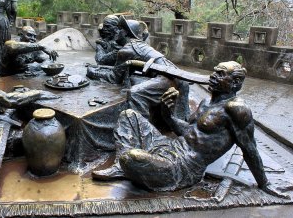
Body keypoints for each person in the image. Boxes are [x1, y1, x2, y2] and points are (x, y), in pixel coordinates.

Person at [92, 61, 288, 199]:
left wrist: (264, 184)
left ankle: (128, 165)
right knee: (128, 115)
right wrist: (167, 114)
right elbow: (187, 131)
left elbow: (250, 149)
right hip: (168, 146)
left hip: (183, 167)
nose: (212, 76)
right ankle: (121, 166)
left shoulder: (237, 109)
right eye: (214, 72)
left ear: (235, 83)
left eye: (220, 74)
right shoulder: (206, 102)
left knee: (132, 157)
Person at [88, 15, 190, 127]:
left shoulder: (127, 50)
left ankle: (141, 129)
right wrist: (103, 68)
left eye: (120, 29)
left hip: (166, 76)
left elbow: (114, 78)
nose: (117, 31)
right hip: (174, 74)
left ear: (126, 33)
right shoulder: (139, 44)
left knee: (135, 93)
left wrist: (92, 72)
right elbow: (121, 69)